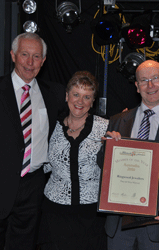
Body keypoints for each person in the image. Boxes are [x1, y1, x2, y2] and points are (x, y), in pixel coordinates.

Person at [101, 60, 159, 250]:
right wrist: (107, 150)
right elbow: (103, 168)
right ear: (136, 86)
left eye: (155, 78)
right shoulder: (117, 121)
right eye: (143, 80)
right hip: (119, 226)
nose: (150, 85)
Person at [0, 32, 65, 250]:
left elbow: (80, 112)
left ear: (44, 61)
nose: (30, 62)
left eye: (36, 56)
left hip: (33, 185)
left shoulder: (54, 93)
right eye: (24, 55)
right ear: (12, 55)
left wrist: (116, 123)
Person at [38, 71, 109, 250]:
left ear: (93, 101)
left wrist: (117, 144)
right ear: (67, 96)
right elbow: (40, 166)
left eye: (87, 97)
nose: (80, 101)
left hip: (92, 215)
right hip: (55, 212)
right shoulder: (50, 126)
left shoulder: (106, 128)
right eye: (76, 94)